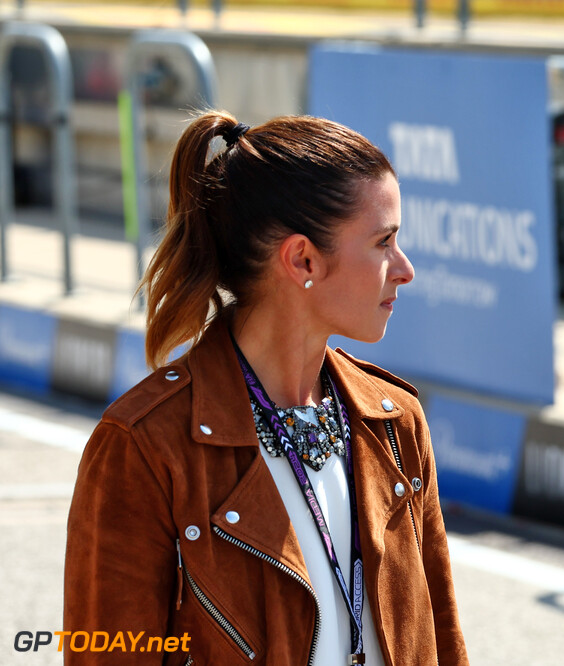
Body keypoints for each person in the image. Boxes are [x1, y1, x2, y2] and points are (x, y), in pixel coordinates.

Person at [64, 111, 469, 665]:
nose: (404, 269)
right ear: (303, 258)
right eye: (384, 242)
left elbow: (441, 640)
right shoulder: (144, 447)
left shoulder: (395, 421)